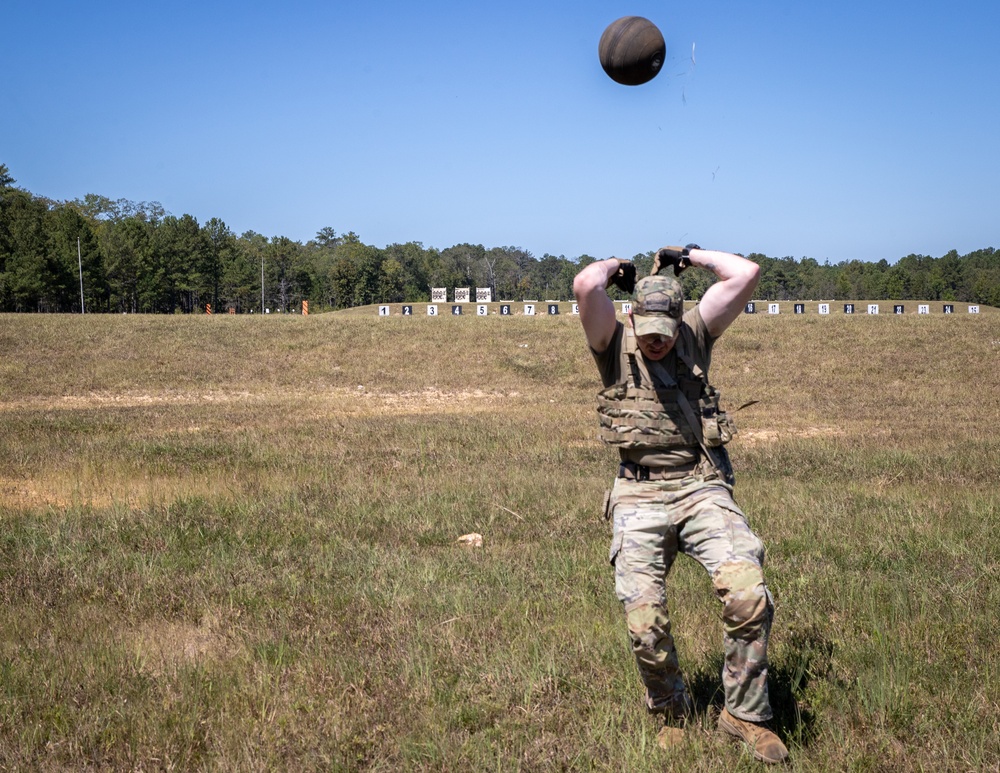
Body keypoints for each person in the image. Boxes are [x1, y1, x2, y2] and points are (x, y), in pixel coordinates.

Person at [572, 245, 789, 764]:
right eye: (646, 331)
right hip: (639, 491)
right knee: (643, 617)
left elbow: (746, 273)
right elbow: (585, 286)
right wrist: (614, 267)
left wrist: (691, 257)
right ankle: (670, 708)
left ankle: (743, 713)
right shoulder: (613, 340)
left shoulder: (694, 334)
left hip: (699, 486)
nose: (654, 343)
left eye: (663, 335)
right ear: (631, 314)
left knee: (747, 594)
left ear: (679, 322)